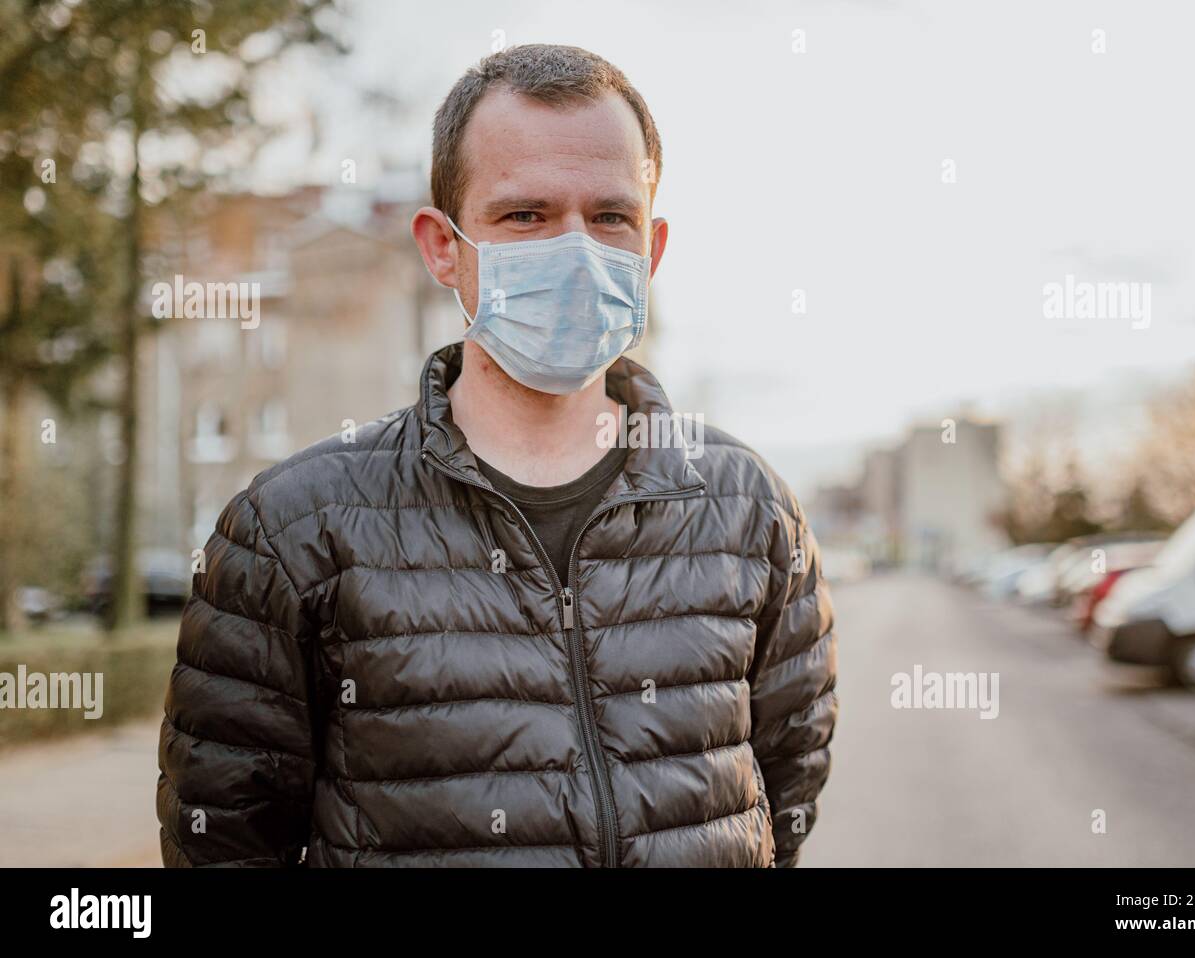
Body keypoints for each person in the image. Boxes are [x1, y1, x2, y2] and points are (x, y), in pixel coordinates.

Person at [157, 43, 837, 868]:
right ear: (443, 247)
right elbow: (227, 839)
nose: (578, 251)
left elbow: (783, 793)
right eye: (526, 216)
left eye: (610, 216)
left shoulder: (748, 510)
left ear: (651, 250)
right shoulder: (293, 531)